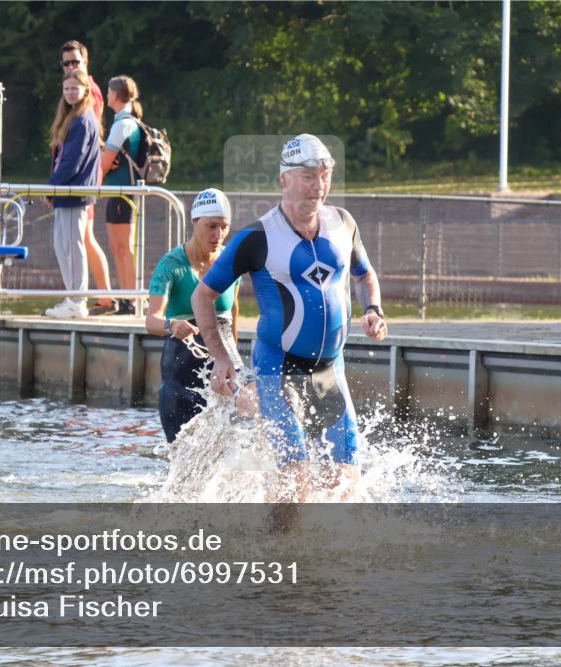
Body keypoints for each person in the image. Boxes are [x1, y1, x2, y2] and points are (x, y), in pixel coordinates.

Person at [192, 134, 388, 502]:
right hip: (277, 369)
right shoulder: (257, 237)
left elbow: (364, 275)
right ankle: (274, 538)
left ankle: (321, 543)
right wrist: (220, 357)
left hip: (328, 371)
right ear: (284, 179)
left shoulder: (343, 223)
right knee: (293, 479)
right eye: (309, 176)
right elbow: (202, 295)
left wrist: (373, 309)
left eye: (325, 176)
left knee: (344, 480)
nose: (319, 186)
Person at [146, 188, 242, 442]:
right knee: (182, 455)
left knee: (225, 450)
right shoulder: (171, 265)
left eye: (224, 227)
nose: (218, 235)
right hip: (181, 374)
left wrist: (235, 359)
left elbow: (233, 314)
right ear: (194, 222)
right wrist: (171, 325)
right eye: (211, 226)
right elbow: (151, 320)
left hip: (222, 370)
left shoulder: (230, 263)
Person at [59, 40, 115, 314]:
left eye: (75, 62)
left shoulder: (88, 91)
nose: (71, 67)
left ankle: (101, 297)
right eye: (66, 63)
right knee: (84, 237)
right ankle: (101, 296)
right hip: (82, 178)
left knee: (83, 238)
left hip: (81, 181)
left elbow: (84, 140)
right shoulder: (73, 88)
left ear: (85, 62)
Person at [43, 70, 102, 319]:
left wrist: (51, 187)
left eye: (74, 88)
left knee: (72, 246)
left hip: (73, 193)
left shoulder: (82, 121)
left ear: (86, 90)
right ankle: (72, 297)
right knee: (62, 245)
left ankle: (78, 300)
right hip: (65, 193)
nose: (69, 93)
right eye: (66, 89)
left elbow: (72, 161)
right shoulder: (73, 118)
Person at [100, 75, 143, 315]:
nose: (107, 95)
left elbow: (104, 163)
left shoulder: (122, 124)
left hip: (122, 193)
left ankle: (130, 300)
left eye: (108, 92)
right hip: (121, 193)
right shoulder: (127, 121)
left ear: (115, 95)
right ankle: (128, 298)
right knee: (119, 247)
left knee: (122, 247)